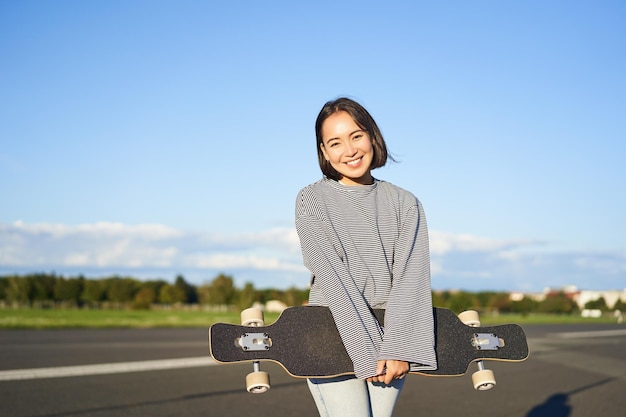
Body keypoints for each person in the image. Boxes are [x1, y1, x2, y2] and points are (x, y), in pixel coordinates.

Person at [295, 97, 437, 417]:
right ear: (324, 152)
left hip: (390, 334)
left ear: (372, 137)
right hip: (330, 329)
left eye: (356, 136)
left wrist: (398, 348)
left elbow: (410, 280)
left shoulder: (405, 202)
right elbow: (333, 277)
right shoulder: (311, 199)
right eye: (335, 142)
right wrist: (366, 348)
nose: (349, 150)